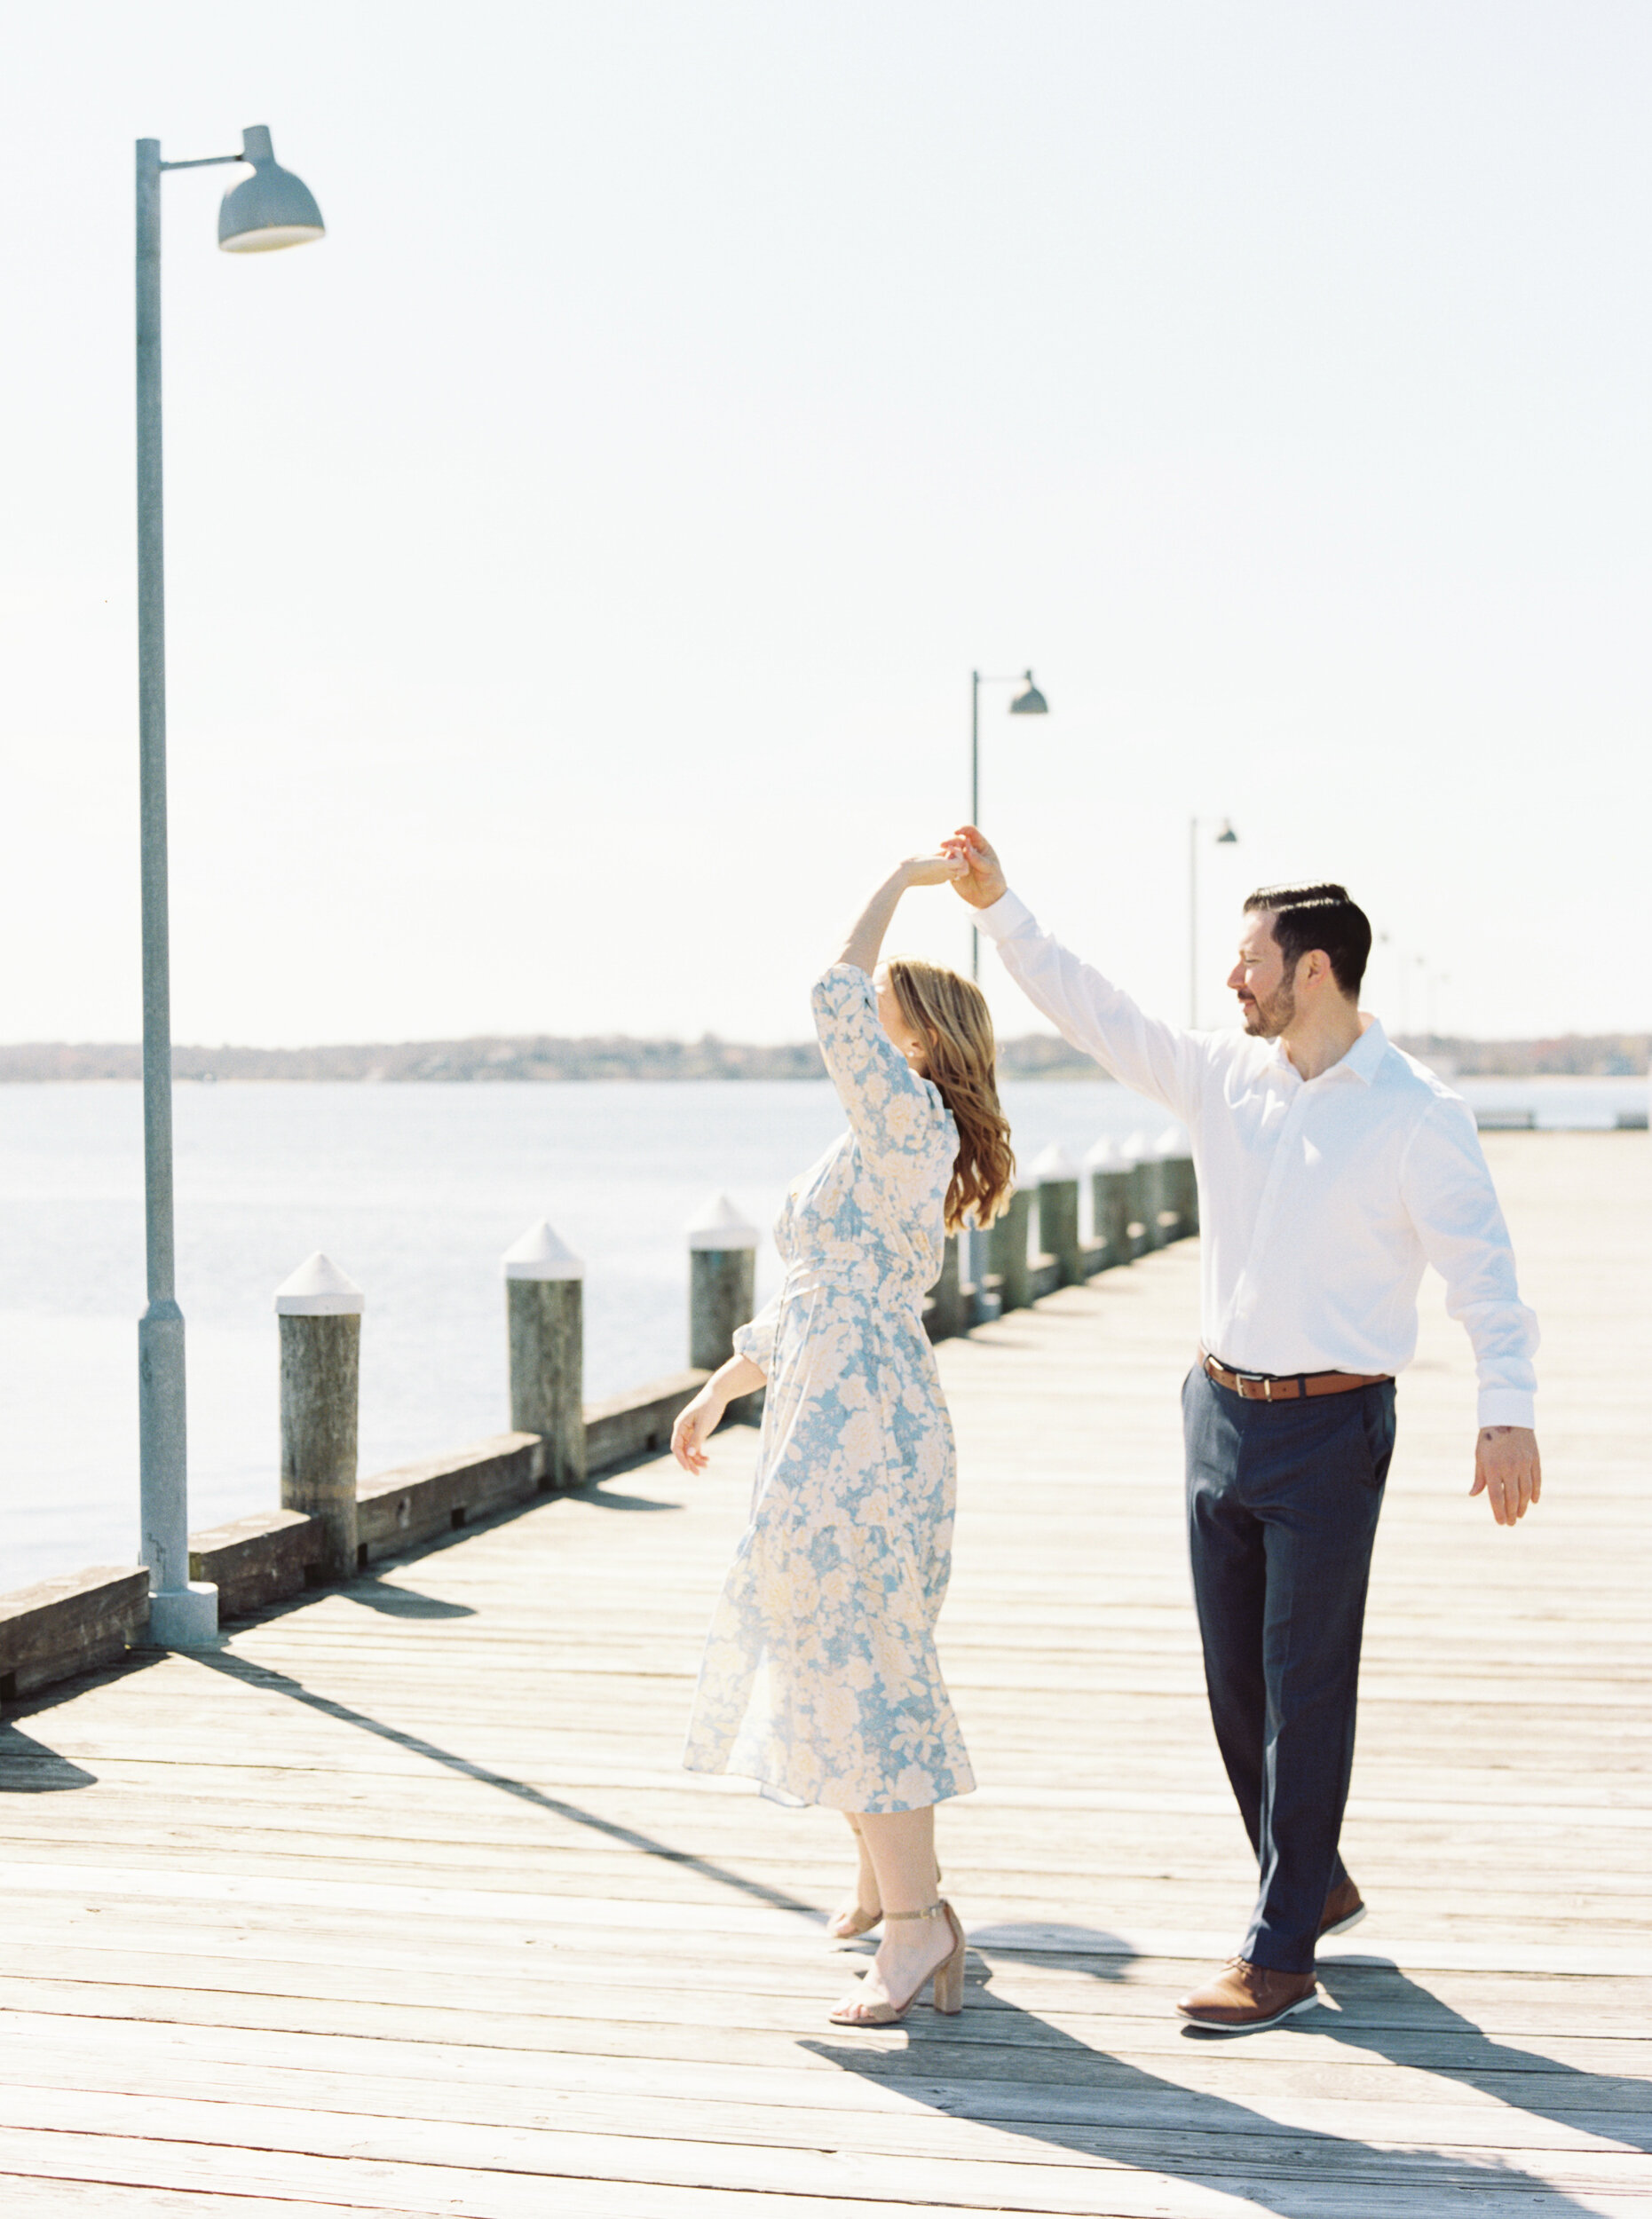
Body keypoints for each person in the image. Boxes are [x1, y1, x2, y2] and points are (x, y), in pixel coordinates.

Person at [942, 825, 1541, 2033]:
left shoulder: (1418, 1114)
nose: (1231, 981)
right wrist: (1002, 906)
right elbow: (1089, 1009)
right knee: (1234, 1687)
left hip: (1332, 1426)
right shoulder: (1223, 1075)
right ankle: (1309, 1878)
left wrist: (1504, 1412)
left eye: (1249, 961)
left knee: (1303, 1682)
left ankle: (1279, 1953)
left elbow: (1484, 1273)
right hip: (1216, 1411)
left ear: (1311, 968)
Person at [676, 854, 1015, 2027]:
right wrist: (723, 1385)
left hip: (861, 1417)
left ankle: (919, 1925)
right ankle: (887, 1881)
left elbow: (829, 989)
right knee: (827, 1627)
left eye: (885, 1015)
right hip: (832, 1396)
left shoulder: (907, 1118)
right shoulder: (880, 1142)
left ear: (917, 1037)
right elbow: (816, 1288)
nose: (864, 1022)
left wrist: (899, 881)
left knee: (857, 1647)